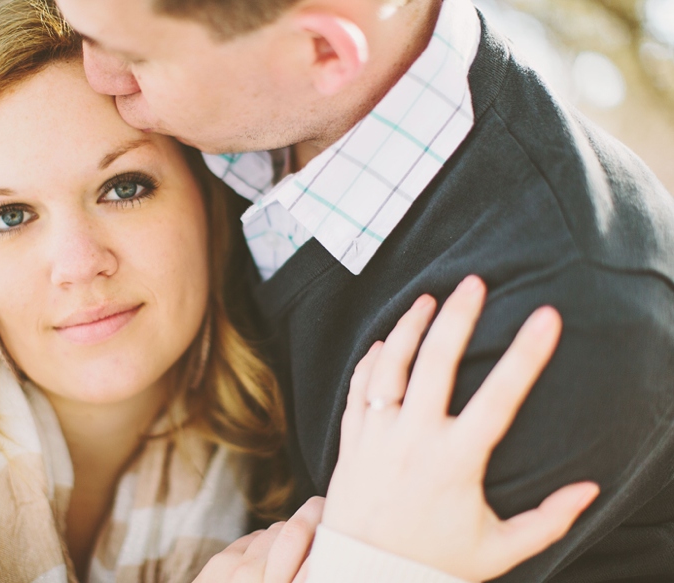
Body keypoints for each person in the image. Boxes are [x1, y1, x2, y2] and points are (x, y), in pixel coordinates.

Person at [0, 0, 598, 582]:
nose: (77, 263)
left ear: (210, 206)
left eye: (124, 189)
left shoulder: (297, 470)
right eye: (9, 216)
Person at [56, 0, 674, 579]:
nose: (96, 75)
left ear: (323, 51)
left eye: (135, 56)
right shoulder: (225, 119)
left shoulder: (556, 319)